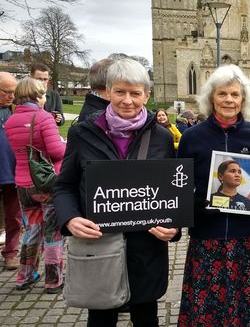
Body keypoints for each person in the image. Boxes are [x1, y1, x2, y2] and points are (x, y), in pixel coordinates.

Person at [53, 58, 179, 327]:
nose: (128, 100)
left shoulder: (162, 138)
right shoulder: (83, 133)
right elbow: (64, 185)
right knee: (101, 318)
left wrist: (174, 227)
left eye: (135, 93)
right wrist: (70, 219)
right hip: (99, 245)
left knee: (146, 318)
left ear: (147, 95)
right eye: (120, 92)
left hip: (145, 249)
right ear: (108, 91)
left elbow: (173, 192)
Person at [176, 64, 250, 326]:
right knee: (205, 306)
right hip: (207, 233)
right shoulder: (192, 137)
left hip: (244, 234)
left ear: (243, 99)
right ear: (211, 98)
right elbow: (180, 187)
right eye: (222, 94)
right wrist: (197, 206)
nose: (229, 100)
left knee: (243, 305)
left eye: (235, 94)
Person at [5, 77, 66, 292]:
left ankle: (25, 275)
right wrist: (66, 145)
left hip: (23, 183)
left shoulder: (10, 121)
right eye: (43, 95)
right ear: (36, 96)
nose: (44, 99)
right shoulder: (43, 118)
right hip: (46, 182)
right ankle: (53, 279)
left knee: (31, 230)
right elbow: (57, 152)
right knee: (53, 230)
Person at [0, 72, 22, 271]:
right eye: (6, 92)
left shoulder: (15, 111)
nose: (11, 96)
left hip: (12, 173)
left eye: (13, 92)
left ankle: (11, 252)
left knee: (14, 216)